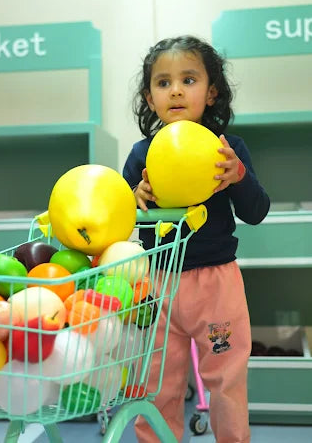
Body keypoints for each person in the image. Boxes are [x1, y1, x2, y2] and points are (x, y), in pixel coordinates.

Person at [123, 35, 270, 443]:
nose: (175, 90)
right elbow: (119, 223)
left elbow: (257, 211)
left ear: (211, 92)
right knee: (156, 385)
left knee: (225, 380)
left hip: (217, 284)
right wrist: (133, 200)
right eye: (163, 82)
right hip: (157, 281)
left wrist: (237, 177)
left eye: (189, 80)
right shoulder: (141, 154)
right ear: (149, 98)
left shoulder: (228, 149)